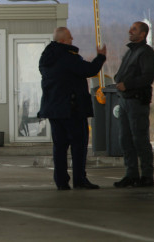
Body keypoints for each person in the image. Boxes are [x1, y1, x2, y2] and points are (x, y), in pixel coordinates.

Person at [38, 27, 106, 190]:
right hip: (71, 109)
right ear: (62, 41)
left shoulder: (46, 58)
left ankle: (61, 181)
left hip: (54, 110)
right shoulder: (67, 57)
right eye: (69, 38)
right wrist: (101, 57)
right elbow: (89, 70)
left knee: (59, 147)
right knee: (78, 145)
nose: (72, 39)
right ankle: (79, 179)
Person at [113, 21, 154, 188]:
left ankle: (147, 175)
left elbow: (147, 77)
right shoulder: (131, 51)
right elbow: (121, 74)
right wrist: (118, 80)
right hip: (124, 100)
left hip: (137, 101)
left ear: (143, 34)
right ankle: (131, 174)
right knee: (125, 139)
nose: (129, 31)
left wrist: (128, 84)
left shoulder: (146, 52)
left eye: (134, 29)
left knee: (140, 139)